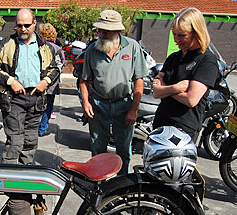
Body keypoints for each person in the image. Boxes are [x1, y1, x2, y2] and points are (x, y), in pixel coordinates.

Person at [0, 8, 60, 215]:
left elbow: (56, 68)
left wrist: (45, 81)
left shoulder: (46, 47)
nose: (23, 29)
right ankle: (11, 189)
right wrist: (10, 81)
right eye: (19, 25)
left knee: (30, 144)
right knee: (14, 142)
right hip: (14, 99)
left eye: (27, 25)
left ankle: (24, 185)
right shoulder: (4, 44)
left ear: (34, 24)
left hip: (35, 99)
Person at [80, 10, 148, 174]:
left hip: (124, 105)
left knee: (124, 148)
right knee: (98, 147)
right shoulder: (92, 50)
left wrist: (134, 110)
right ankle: (99, 182)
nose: (101, 33)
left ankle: (121, 184)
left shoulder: (132, 47)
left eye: (106, 31)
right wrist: (86, 102)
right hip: (98, 105)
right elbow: (84, 80)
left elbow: (139, 80)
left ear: (118, 31)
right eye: (99, 30)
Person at [152, 7, 219, 142]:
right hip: (161, 122)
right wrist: (175, 88)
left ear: (197, 32)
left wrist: (164, 88)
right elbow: (156, 92)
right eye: (174, 34)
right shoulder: (173, 58)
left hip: (183, 128)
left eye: (182, 35)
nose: (176, 39)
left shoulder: (206, 60)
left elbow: (191, 99)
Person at [38, 23, 65, 137]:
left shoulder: (36, 47)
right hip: (51, 85)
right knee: (47, 107)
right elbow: (60, 66)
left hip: (37, 83)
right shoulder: (57, 49)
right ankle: (42, 129)